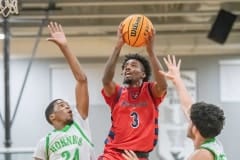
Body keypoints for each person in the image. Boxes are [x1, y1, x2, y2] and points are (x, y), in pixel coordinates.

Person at [123, 55, 227, 160]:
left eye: (190, 120)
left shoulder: (202, 154)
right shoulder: (213, 144)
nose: (188, 119)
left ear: (195, 128)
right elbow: (188, 106)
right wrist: (177, 80)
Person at [98, 24, 167, 160]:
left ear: (143, 74)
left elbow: (163, 85)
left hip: (141, 156)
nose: (128, 68)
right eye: (125, 67)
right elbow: (106, 80)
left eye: (133, 65)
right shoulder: (117, 93)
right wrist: (117, 47)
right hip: (114, 154)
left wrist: (151, 52)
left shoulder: (150, 91)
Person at [33, 22, 95, 160]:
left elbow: (82, 80)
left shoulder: (79, 122)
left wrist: (64, 47)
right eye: (61, 105)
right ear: (52, 117)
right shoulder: (44, 143)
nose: (67, 106)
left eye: (67, 104)